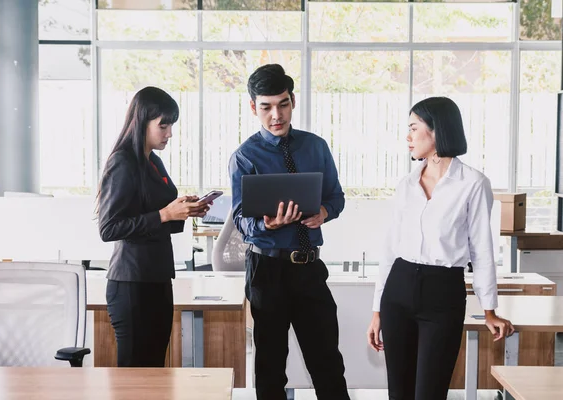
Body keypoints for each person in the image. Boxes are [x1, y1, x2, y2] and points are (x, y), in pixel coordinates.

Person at [366, 96, 515, 400]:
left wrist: (490, 311)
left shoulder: (473, 183)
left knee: (430, 393)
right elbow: (390, 248)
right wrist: (377, 310)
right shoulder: (406, 184)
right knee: (400, 393)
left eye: (414, 128)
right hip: (399, 288)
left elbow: (482, 250)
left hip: (442, 292)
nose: (408, 137)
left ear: (436, 132)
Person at [229, 64, 350, 400]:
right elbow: (240, 218)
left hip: (310, 268)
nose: (276, 115)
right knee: (270, 366)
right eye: (266, 107)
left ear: (293, 101)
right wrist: (268, 223)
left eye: (282, 104)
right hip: (267, 269)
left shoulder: (316, 147)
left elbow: (336, 198)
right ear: (254, 107)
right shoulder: (245, 157)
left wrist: (324, 212)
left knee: (327, 361)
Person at [97, 86, 209, 367]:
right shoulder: (123, 162)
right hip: (131, 283)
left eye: (171, 125)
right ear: (142, 122)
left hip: (157, 278)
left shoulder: (153, 162)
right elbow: (109, 228)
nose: (169, 133)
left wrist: (183, 211)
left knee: (155, 372)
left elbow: (159, 217)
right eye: (164, 125)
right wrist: (164, 214)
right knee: (134, 377)